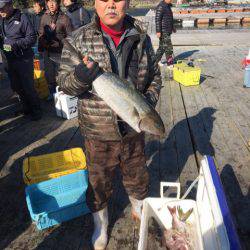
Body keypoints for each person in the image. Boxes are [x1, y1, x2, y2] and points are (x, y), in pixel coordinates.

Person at [57, 0, 162, 249]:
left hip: (134, 128)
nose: (111, 4)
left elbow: (155, 76)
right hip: (97, 131)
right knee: (98, 183)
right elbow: (64, 82)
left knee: (138, 175)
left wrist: (145, 103)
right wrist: (81, 76)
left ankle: (138, 209)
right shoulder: (78, 39)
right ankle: (100, 226)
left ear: (128, 3)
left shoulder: (141, 37)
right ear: (95, 3)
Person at [0, 0, 42, 120]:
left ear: (10, 6)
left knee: (28, 85)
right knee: (16, 86)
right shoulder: (1, 19)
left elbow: (32, 37)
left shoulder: (22, 18)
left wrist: (16, 45)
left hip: (23, 59)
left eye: (2, 8)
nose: (0, 11)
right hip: (9, 59)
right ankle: (26, 108)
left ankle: (36, 110)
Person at [38, 0, 73, 98]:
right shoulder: (44, 17)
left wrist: (61, 42)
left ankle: (64, 94)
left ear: (58, 3)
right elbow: (40, 33)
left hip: (61, 52)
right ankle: (52, 93)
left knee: (62, 74)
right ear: (46, 3)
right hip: (48, 52)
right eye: (49, 2)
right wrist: (42, 46)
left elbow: (71, 37)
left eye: (54, 2)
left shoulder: (64, 18)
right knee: (49, 74)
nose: (51, 4)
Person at [155, 0, 176, 65]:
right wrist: (158, 31)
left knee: (162, 47)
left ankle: (155, 61)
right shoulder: (161, 6)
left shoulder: (168, 6)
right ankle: (170, 64)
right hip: (163, 31)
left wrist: (173, 27)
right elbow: (157, 19)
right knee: (169, 48)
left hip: (168, 30)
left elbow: (170, 18)